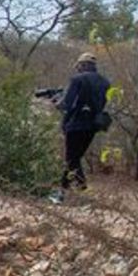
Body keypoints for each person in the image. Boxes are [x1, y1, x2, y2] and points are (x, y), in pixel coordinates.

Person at [56, 52, 111, 194]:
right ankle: (66, 191)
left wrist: (56, 102)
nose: (78, 68)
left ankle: (76, 190)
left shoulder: (77, 79)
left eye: (79, 65)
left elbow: (67, 105)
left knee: (71, 159)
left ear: (83, 65)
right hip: (93, 126)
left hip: (75, 124)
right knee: (75, 159)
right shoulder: (105, 82)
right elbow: (102, 104)